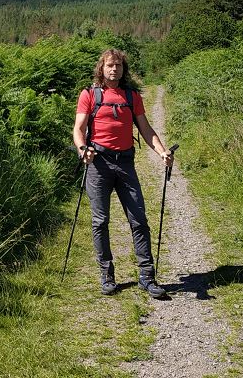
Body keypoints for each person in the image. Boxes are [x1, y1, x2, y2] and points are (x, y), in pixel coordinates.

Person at [71, 49, 173, 298]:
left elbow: (146, 129)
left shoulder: (132, 96)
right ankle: (107, 275)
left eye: (118, 65)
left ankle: (147, 277)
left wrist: (162, 152)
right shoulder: (89, 94)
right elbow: (78, 129)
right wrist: (83, 149)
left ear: (123, 69)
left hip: (125, 162)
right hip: (98, 163)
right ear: (101, 68)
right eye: (109, 65)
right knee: (100, 221)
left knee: (139, 219)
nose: (114, 69)